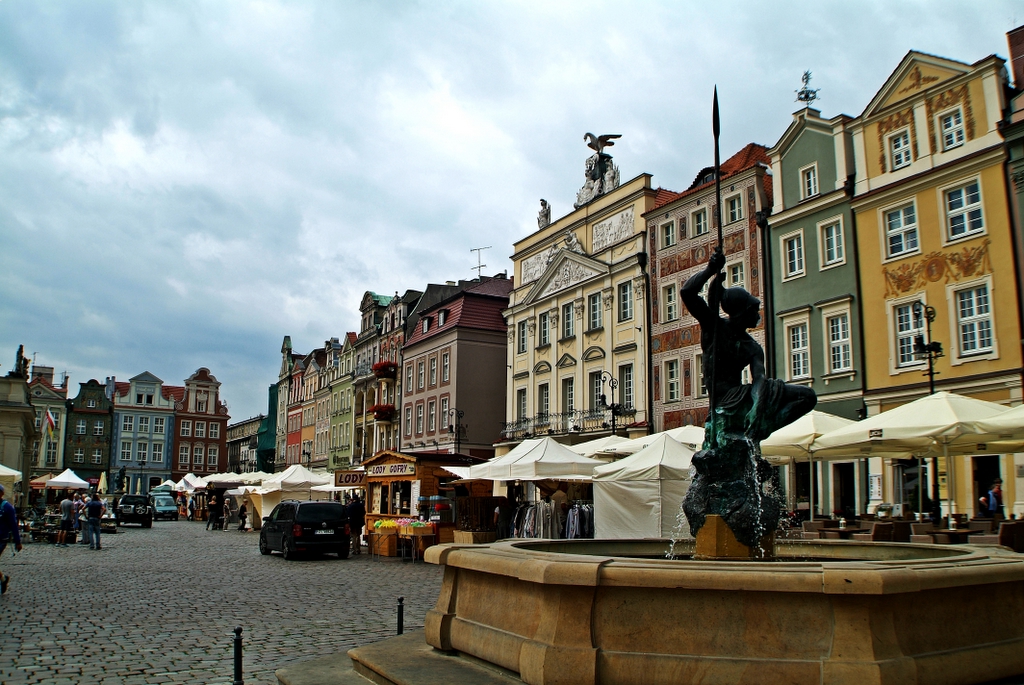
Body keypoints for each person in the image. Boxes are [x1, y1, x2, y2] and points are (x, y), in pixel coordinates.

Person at [0, 483, 23, 595]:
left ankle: (3, 579)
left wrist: (17, 541)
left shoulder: (7, 507)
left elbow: (14, 525)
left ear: (1, 493)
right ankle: (3, 579)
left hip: (1, 539)